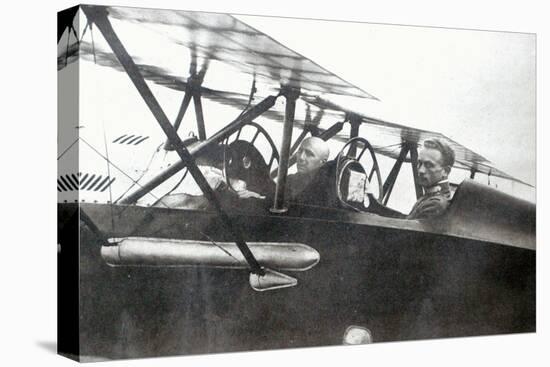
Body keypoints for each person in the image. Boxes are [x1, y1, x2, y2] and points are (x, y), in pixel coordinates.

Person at [407, 138, 455, 219]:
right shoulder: (430, 196)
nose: (421, 170)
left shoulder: (435, 205)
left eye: (429, 165)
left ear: (446, 171)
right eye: (419, 163)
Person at [286, 137, 333, 205]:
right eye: (300, 151)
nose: (301, 157)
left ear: (323, 162)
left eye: (309, 154)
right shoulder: (288, 180)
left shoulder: (327, 189)